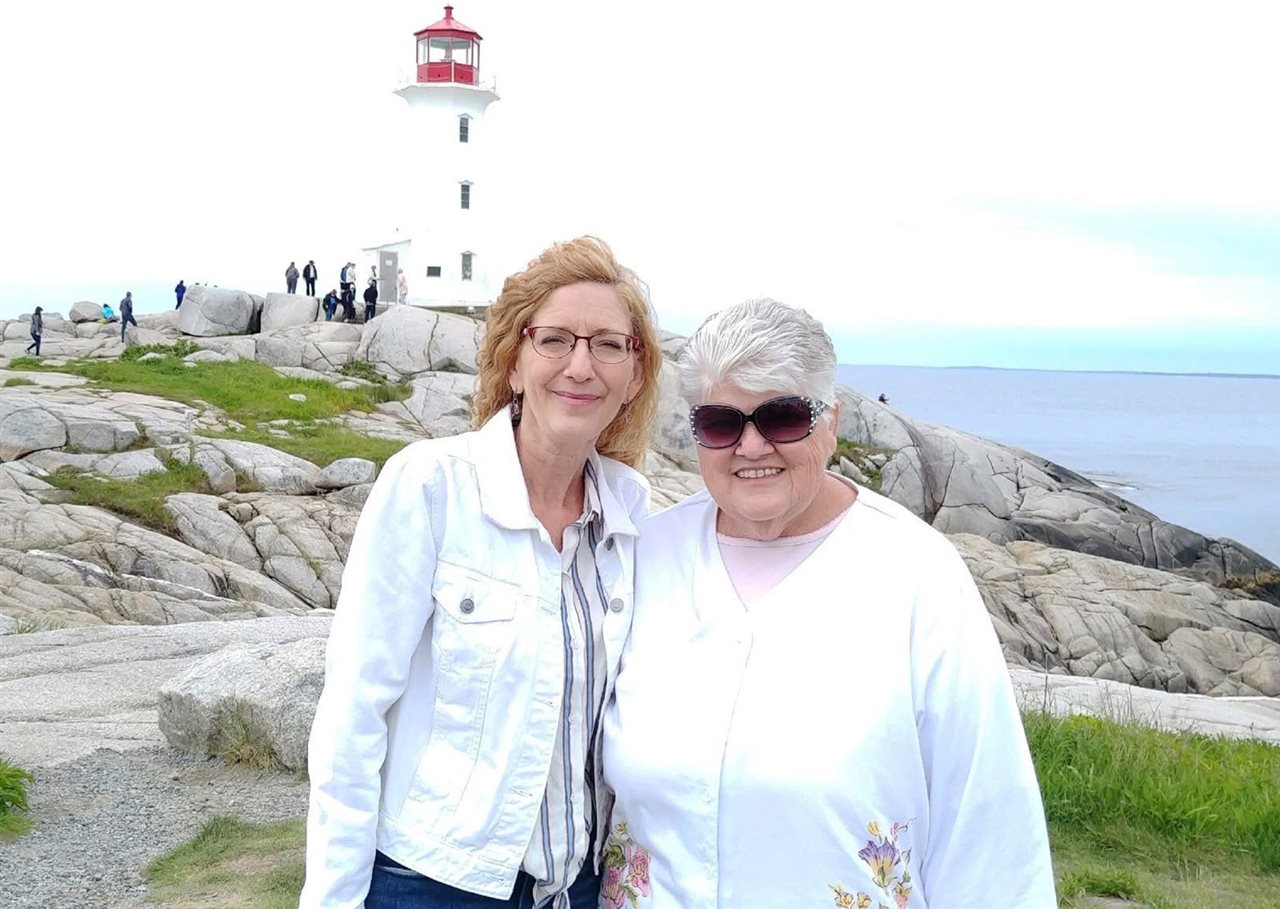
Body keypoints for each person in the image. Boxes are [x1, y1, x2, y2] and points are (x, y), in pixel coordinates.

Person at [601, 299, 1056, 908]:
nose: (752, 446)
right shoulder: (645, 557)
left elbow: (986, 821)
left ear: (831, 422)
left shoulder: (917, 572)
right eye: (721, 423)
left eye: (783, 418)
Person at [302, 236, 664, 909]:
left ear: (635, 374)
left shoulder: (634, 514)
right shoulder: (431, 486)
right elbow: (353, 711)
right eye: (555, 339)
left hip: (580, 887)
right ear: (514, 362)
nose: (581, 365)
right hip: (432, 884)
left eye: (609, 344)